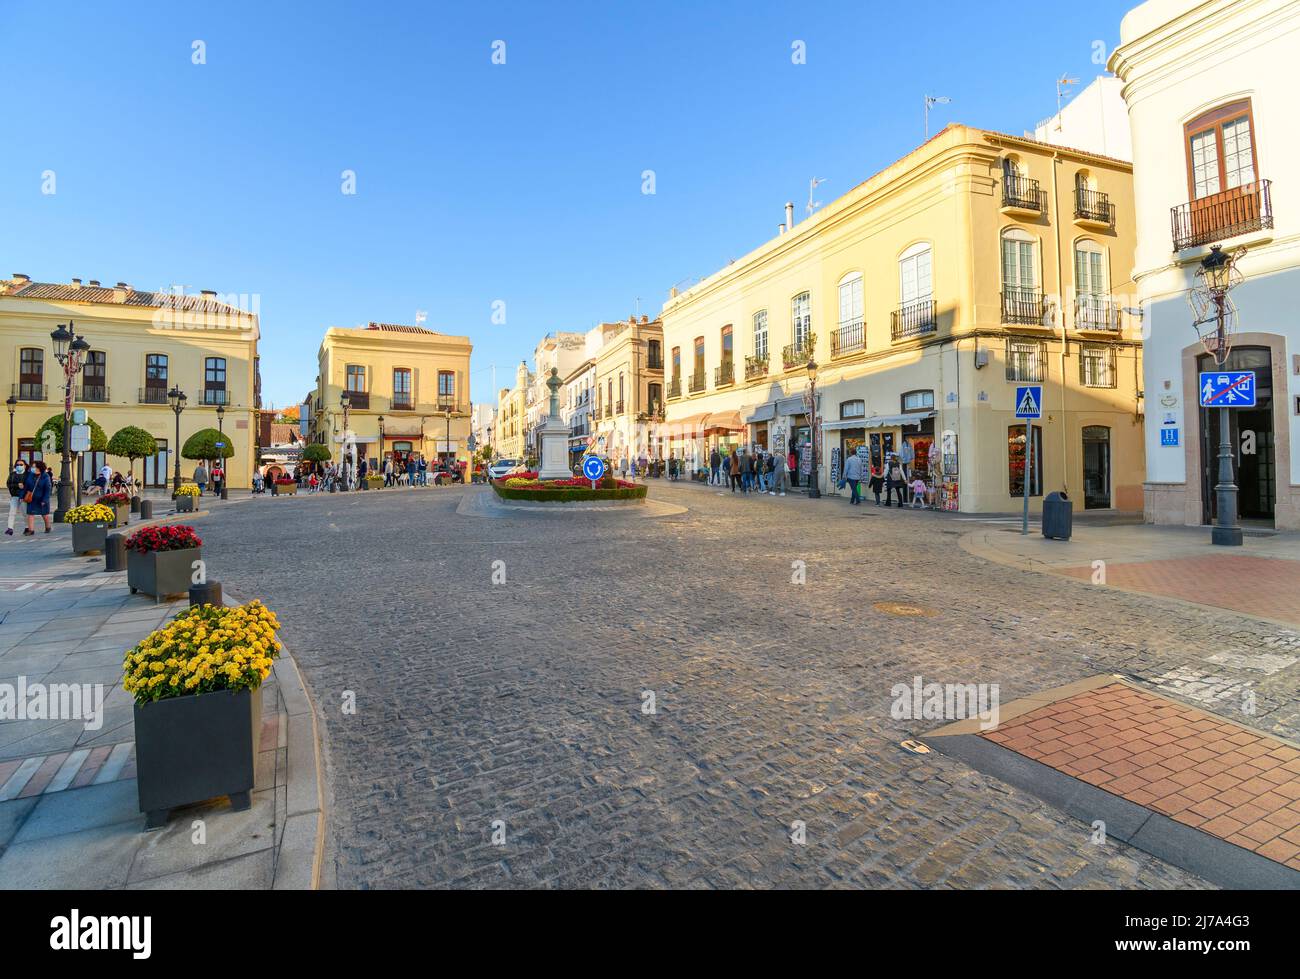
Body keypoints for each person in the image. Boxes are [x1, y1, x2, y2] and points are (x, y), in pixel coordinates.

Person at [24, 460, 53, 535]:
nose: (32, 468)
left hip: (41, 499)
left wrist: (45, 500)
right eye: (32, 467)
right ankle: (31, 530)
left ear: (39, 468)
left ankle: (48, 527)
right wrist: (23, 495)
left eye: (34, 467)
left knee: (44, 514)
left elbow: (48, 489)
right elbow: (26, 486)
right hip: (31, 498)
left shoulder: (45, 476)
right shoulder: (30, 475)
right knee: (30, 514)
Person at [6, 461, 28, 535]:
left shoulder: (27, 474)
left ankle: (27, 527)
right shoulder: (12, 474)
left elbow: (29, 485)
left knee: (25, 513)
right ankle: (10, 528)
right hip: (14, 496)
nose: (19, 466)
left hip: (24, 497)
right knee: (12, 512)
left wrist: (24, 486)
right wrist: (17, 486)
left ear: (25, 466)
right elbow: (9, 484)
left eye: (21, 464)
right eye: (17, 465)